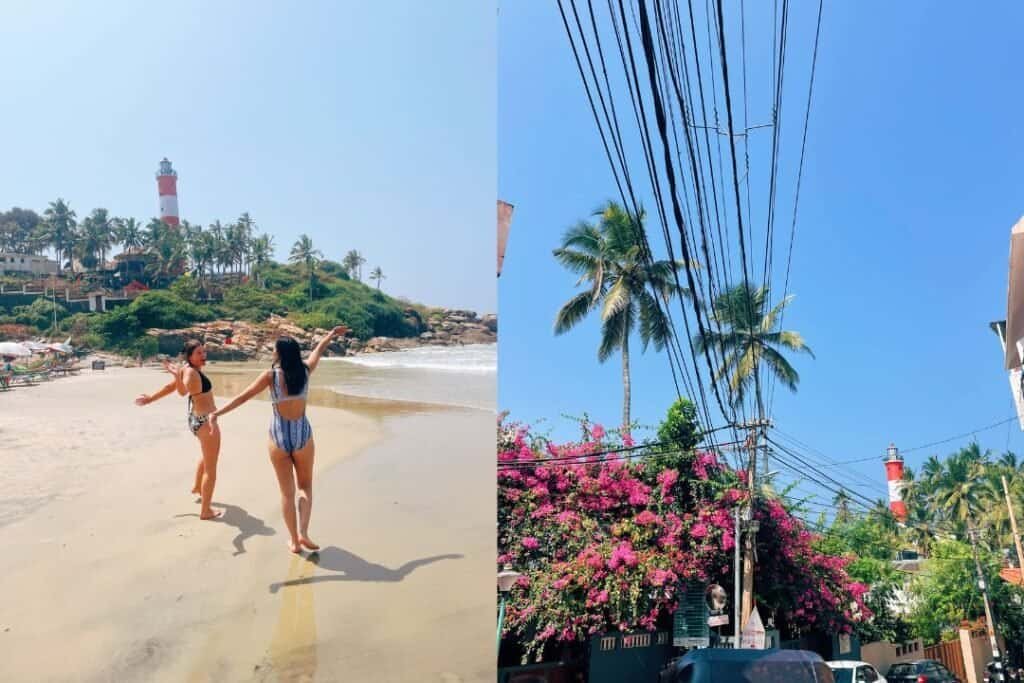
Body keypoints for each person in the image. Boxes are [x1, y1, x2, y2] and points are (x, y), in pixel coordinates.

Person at [209, 325, 348, 553]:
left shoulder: (270, 376)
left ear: (280, 354)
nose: (272, 352)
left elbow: (242, 398)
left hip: (278, 438)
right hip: (303, 436)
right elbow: (317, 352)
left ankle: (294, 541)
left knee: (287, 493)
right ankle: (303, 532)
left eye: (274, 350)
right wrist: (331, 335)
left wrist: (217, 414)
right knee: (305, 487)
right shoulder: (305, 371)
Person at [135, 340, 224, 520]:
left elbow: (172, 388)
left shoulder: (186, 368)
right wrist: (176, 376)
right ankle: (206, 511)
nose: (203, 356)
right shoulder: (190, 372)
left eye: (204, 352)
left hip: (195, 420)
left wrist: (151, 398)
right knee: (212, 470)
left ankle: (198, 487)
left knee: (208, 455)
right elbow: (182, 391)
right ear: (189, 356)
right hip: (206, 422)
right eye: (199, 353)